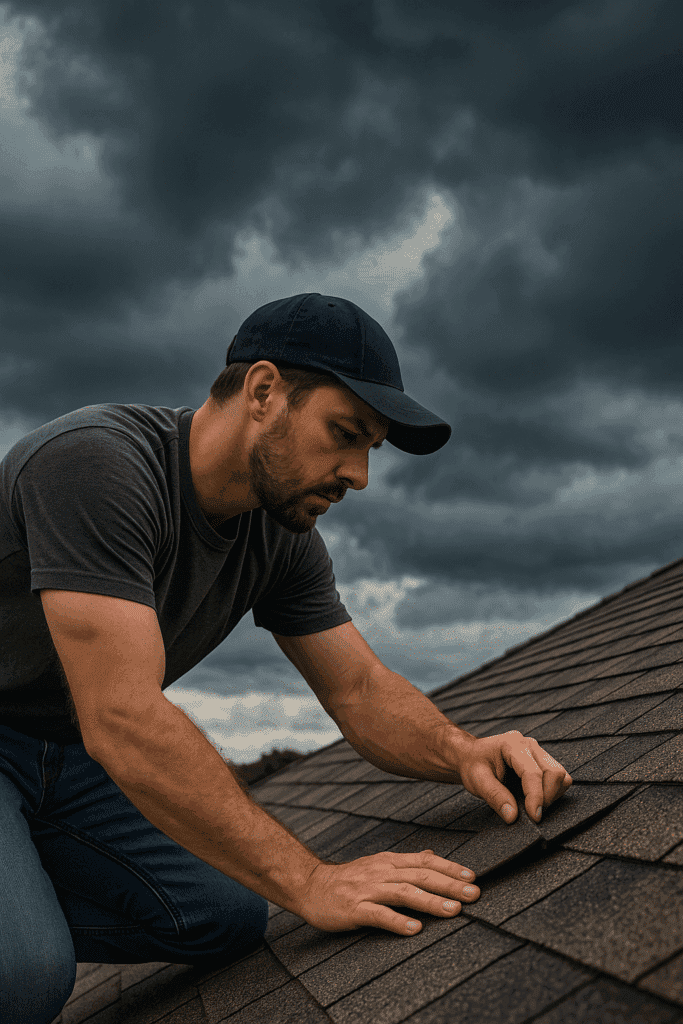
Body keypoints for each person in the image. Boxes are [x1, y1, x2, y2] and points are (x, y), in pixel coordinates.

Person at [0, 293, 571, 1023]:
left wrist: (462, 753)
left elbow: (358, 688)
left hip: (65, 755)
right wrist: (311, 880)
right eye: (345, 434)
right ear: (263, 391)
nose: (359, 475)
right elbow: (122, 718)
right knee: (26, 977)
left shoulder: (281, 538)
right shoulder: (95, 466)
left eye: (371, 449)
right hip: (49, 736)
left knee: (229, 915)